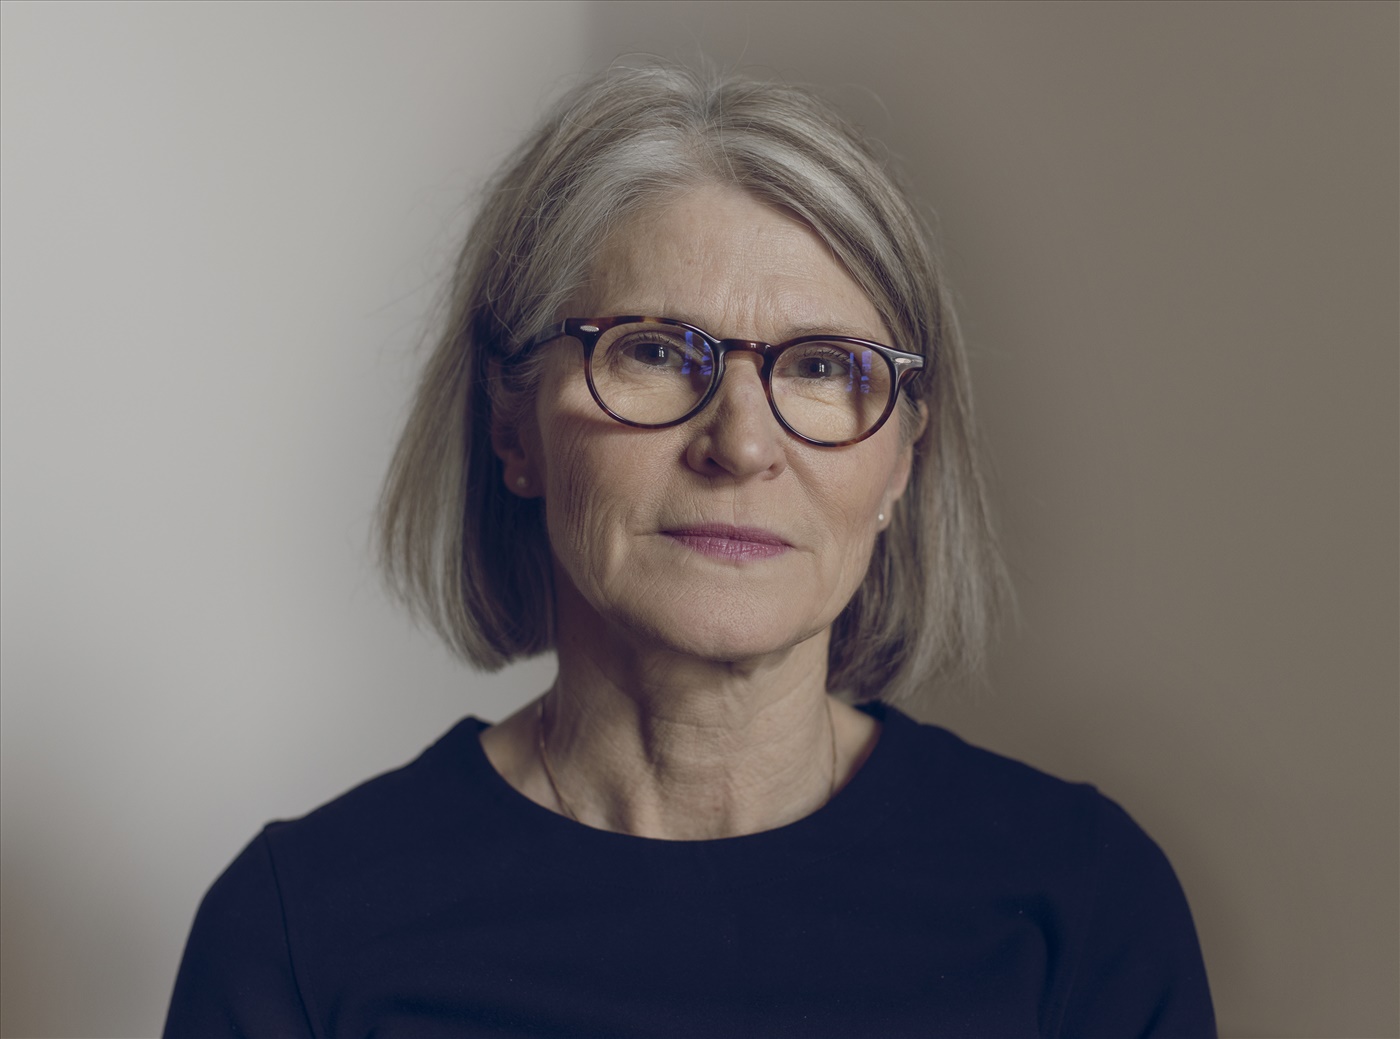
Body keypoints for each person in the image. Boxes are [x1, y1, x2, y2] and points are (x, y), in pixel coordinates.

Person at [165, 62, 1215, 1037]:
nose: (742, 444)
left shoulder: (1082, 904)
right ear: (512, 428)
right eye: (657, 351)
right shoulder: (301, 929)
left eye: (822, 367)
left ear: (901, 460)